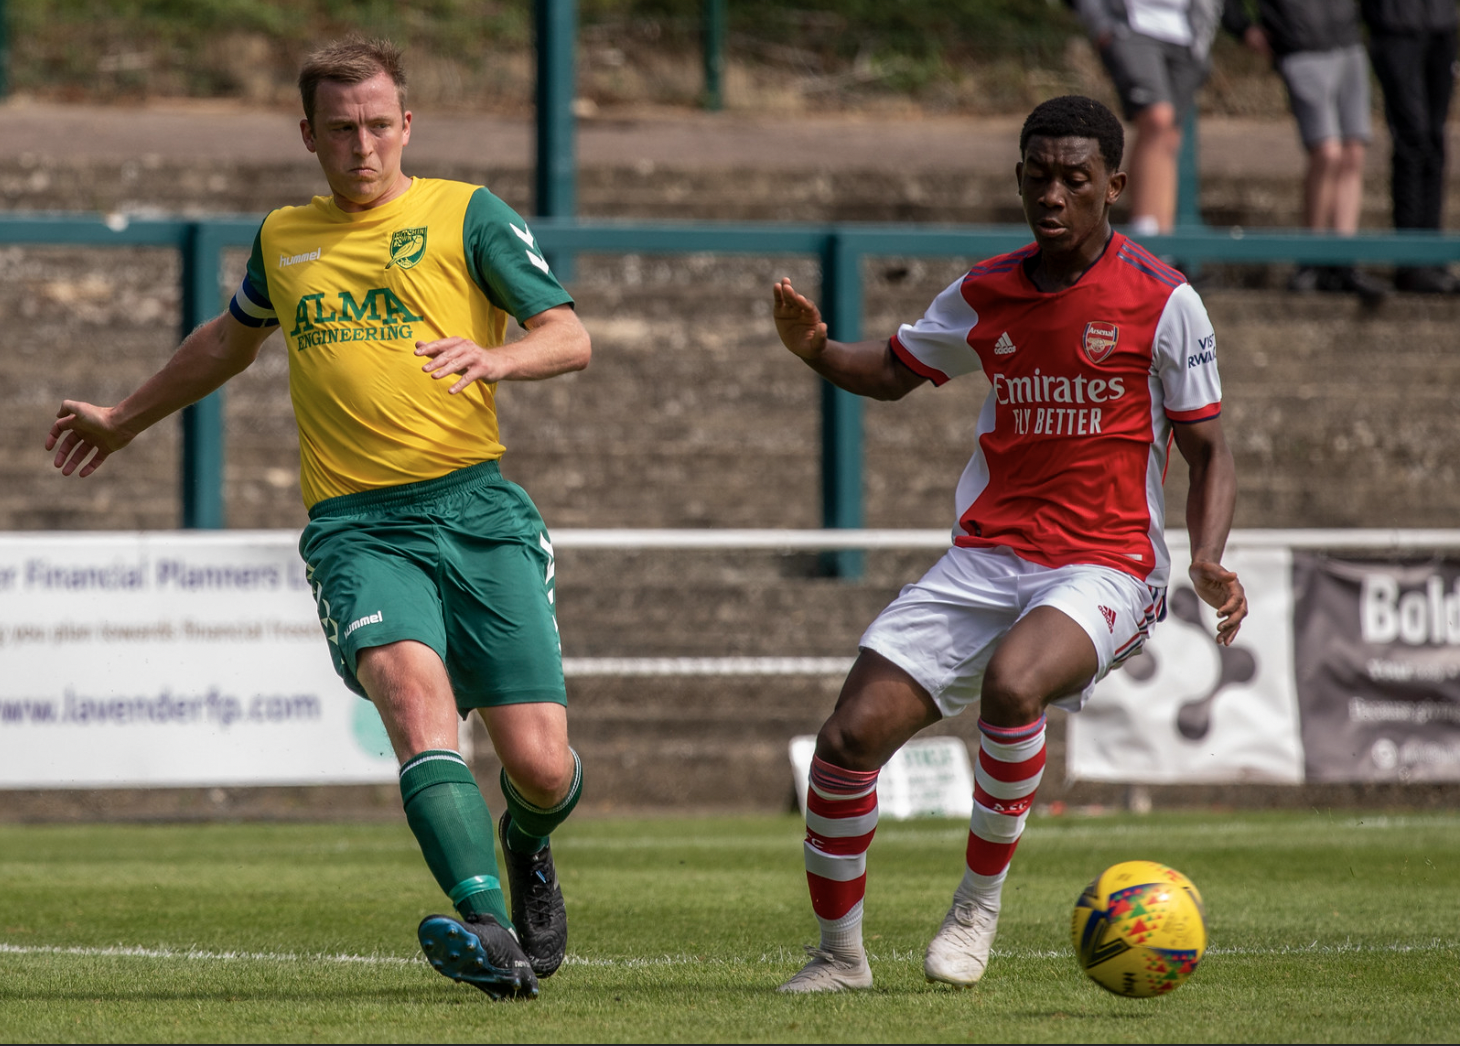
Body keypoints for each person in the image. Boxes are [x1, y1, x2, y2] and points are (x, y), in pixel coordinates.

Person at [45, 38, 590, 1001]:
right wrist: (124, 420)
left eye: (380, 125)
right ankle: (489, 931)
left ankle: (526, 841)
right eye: (341, 129)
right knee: (415, 704)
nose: (363, 146)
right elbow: (228, 339)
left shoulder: (467, 213)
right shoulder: (285, 238)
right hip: (358, 527)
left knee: (541, 768)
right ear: (309, 135)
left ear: (407, 125)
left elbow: (568, 332)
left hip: (477, 508)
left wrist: (500, 359)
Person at [771, 95, 1247, 992]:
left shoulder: (1163, 300)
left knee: (1014, 682)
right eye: (1038, 177)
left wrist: (1210, 556)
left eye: (1075, 179)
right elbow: (894, 371)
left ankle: (976, 906)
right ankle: (840, 958)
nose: (1054, 195)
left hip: (1107, 561)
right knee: (846, 740)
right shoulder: (987, 290)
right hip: (987, 556)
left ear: (1114, 185)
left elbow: (1209, 446)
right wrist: (818, 352)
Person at [1222, 0, 1389, 303]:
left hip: (1348, 42)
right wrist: (1242, 27)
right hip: (1300, 45)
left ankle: (1343, 260)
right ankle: (1311, 258)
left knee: (1353, 153)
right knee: (1327, 152)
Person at [1076, 0, 1225, 236]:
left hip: (1188, 35)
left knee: (1170, 137)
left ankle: (1162, 241)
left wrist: (1205, 34)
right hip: (1131, 28)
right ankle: (1144, 231)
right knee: (1157, 119)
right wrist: (1102, 26)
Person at [1361, 0, 1459, 293]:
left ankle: (1433, 256)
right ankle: (1411, 262)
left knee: (1435, 142)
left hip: (1440, 25)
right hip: (1396, 26)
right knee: (1412, 140)